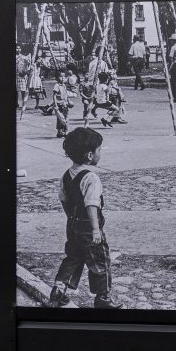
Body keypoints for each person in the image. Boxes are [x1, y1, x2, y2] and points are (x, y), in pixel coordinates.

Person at [49, 128, 124, 309]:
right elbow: (92, 204)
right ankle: (103, 299)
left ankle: (59, 289)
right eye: (99, 150)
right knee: (100, 260)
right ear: (90, 155)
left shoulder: (66, 175)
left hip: (73, 224)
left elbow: (64, 200)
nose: (100, 153)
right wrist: (95, 229)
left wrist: (72, 219)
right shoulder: (91, 178)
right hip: (89, 227)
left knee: (73, 257)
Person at [52, 71, 72, 138]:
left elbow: (66, 95)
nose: (63, 78)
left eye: (64, 76)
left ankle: (63, 131)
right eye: (61, 76)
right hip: (59, 105)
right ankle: (61, 132)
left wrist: (69, 102)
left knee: (65, 118)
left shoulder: (64, 85)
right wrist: (55, 105)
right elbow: (54, 96)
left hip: (65, 105)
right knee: (61, 119)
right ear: (56, 78)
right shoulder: (57, 85)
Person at [15, 45, 31, 109]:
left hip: (22, 75)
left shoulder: (23, 57)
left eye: (19, 48)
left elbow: (27, 64)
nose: (18, 49)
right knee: (16, 91)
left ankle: (23, 103)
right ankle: (16, 103)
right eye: (16, 48)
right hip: (15, 74)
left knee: (23, 90)